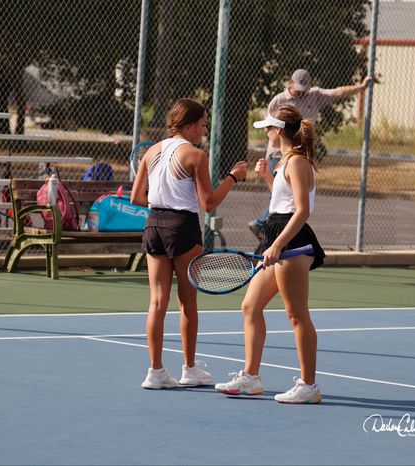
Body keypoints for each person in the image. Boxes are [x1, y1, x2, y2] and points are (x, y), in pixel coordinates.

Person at [131, 98, 248, 390]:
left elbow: (136, 198)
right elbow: (208, 203)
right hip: (182, 228)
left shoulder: (151, 152)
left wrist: (163, 204)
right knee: (188, 301)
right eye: (203, 124)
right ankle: (190, 369)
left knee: (157, 301)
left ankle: (155, 372)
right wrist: (234, 177)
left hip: (154, 225)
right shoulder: (195, 155)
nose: (205, 129)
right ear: (190, 125)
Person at [215, 104, 326, 404]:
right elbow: (283, 202)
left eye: (268, 128)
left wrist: (277, 245)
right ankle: (251, 378)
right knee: (250, 306)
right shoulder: (285, 161)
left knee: (296, 315)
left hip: (293, 241)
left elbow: (301, 210)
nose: (265, 133)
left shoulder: (298, 162)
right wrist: (268, 177)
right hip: (276, 235)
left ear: (278, 131)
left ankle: (309, 386)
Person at [249, 68, 373, 240]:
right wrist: (268, 175)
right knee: (279, 197)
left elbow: (337, 92)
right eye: (298, 88)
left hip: (288, 236)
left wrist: (360, 87)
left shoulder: (297, 162)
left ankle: (264, 225)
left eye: (303, 90)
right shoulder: (279, 100)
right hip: (278, 155)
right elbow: (267, 130)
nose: (300, 93)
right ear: (290, 83)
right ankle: (266, 227)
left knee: (285, 201)